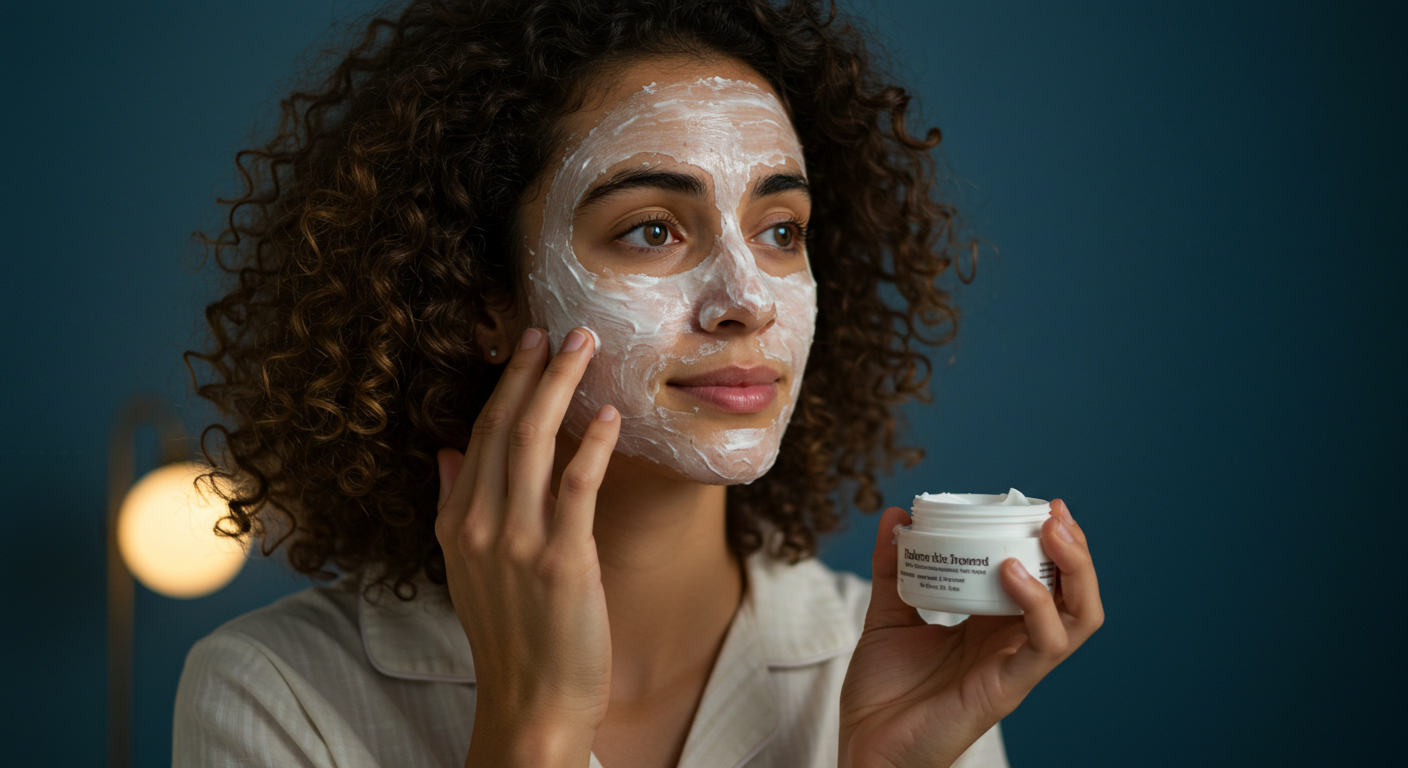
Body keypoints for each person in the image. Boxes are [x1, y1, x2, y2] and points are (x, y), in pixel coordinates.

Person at [177, 1, 1104, 766]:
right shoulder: (277, 691)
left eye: (781, 229)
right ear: (481, 299)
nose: (748, 300)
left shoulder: (905, 663)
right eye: (653, 229)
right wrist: (530, 735)